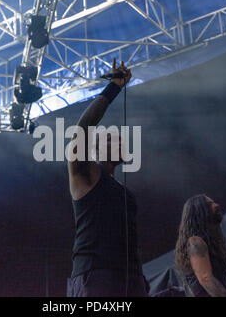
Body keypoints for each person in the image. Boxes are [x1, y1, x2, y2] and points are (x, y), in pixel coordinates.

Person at [66, 59, 147, 297]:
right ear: (96, 150)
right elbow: (83, 128)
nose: (119, 140)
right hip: (96, 275)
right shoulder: (87, 176)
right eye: (110, 138)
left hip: (131, 277)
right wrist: (114, 88)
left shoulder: (125, 192)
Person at [175, 194, 226, 297]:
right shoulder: (195, 242)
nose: (216, 205)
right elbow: (206, 279)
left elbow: (225, 280)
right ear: (200, 211)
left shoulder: (214, 242)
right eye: (210, 204)